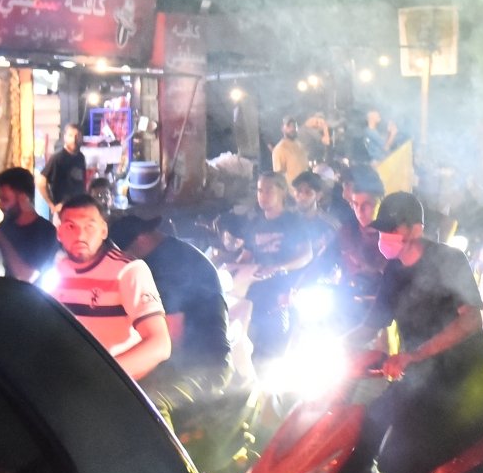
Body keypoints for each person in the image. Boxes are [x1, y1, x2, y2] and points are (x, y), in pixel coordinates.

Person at [345, 190, 483, 473]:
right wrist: (336, 347)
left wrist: (414, 355)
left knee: (404, 449)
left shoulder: (449, 260)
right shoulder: (393, 272)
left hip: (458, 377)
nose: (385, 237)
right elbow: (370, 324)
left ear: (415, 229)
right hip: (415, 379)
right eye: (382, 230)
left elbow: (471, 320)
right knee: (354, 441)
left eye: (392, 229)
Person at [114, 212, 234, 419]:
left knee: (150, 402)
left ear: (141, 239)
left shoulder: (167, 266)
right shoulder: (171, 253)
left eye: (125, 254)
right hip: (190, 362)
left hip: (205, 368)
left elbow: (171, 337)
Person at [46, 196, 171, 379]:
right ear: (59, 232)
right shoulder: (57, 269)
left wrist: (101, 375)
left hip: (110, 385)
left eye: (89, 227)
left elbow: (159, 344)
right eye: (71, 227)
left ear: (103, 230)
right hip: (65, 379)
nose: (80, 236)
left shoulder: (128, 270)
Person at [241, 172, 321, 361]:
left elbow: (306, 255)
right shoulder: (254, 223)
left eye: (269, 190)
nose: (263, 195)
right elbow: (247, 256)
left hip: (284, 294)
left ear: (283, 192)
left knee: (276, 350)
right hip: (256, 295)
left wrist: (279, 268)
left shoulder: (294, 222)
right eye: (260, 190)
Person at [0, 167, 59, 277]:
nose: (0, 205)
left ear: (24, 198)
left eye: (5, 199)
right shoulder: (3, 227)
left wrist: (0, 238)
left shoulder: (46, 232)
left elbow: (28, 276)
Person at [42, 124, 90, 208]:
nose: (74, 139)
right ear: (65, 137)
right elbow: (40, 181)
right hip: (63, 209)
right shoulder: (58, 158)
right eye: (70, 136)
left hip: (78, 206)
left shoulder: (81, 157)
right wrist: (51, 205)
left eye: (77, 136)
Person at [271, 118, 310, 186]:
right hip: (291, 190)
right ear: (282, 129)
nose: (292, 129)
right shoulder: (280, 149)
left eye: (294, 126)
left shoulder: (300, 145)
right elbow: (279, 176)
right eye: (289, 126)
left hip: (305, 188)